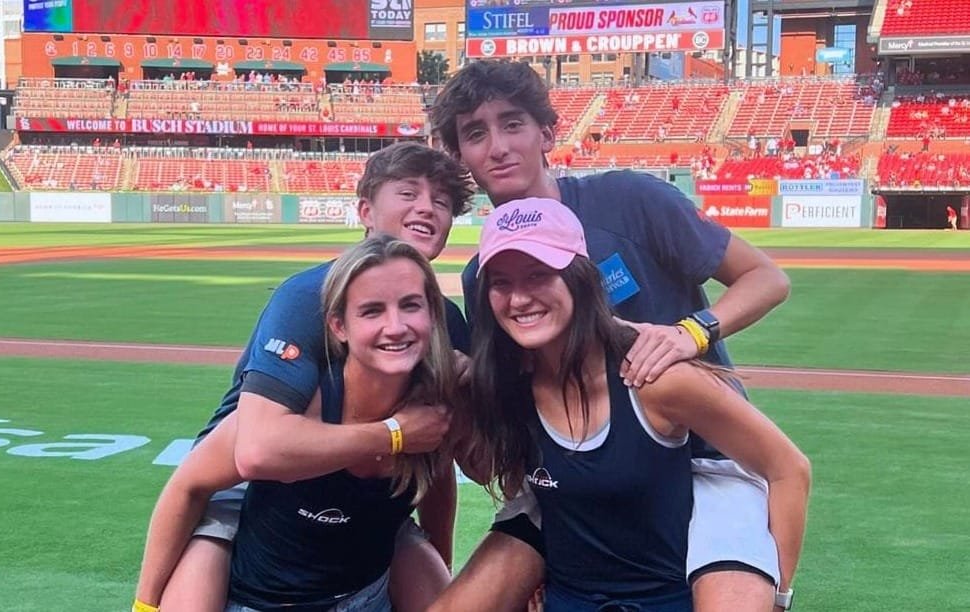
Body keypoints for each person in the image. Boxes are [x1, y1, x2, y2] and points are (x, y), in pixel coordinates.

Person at [428, 60, 794, 611]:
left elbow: (767, 277)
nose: (498, 146)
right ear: (461, 156)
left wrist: (688, 334)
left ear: (548, 132)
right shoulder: (484, 278)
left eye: (513, 124)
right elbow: (516, 409)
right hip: (579, 472)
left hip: (704, 456)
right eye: (475, 133)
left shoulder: (631, 200)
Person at [134, 142, 475, 612]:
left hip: (364, 482)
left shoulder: (446, 324)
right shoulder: (309, 296)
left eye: (441, 200)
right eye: (408, 193)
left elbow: (433, 454)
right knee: (210, 552)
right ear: (366, 211)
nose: (426, 207)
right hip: (246, 475)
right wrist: (394, 435)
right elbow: (256, 450)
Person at [462, 197, 810, 611]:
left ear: (578, 278)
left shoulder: (653, 377)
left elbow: (788, 469)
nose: (519, 299)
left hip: (668, 598)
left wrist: (778, 597)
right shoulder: (507, 384)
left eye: (539, 274)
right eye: (501, 282)